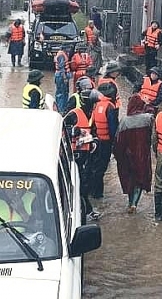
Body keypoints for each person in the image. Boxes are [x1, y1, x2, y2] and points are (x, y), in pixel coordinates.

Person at [62, 90, 101, 222]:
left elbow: (95, 132)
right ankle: (84, 211)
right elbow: (62, 130)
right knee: (78, 185)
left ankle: (85, 209)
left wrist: (94, 141)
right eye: (94, 104)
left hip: (86, 155)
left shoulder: (91, 115)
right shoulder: (74, 114)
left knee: (85, 184)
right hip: (73, 155)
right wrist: (74, 131)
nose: (95, 106)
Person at [113, 94, 154, 214]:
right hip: (142, 156)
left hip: (127, 157)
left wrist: (118, 157)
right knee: (140, 180)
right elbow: (153, 114)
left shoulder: (124, 121)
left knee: (130, 180)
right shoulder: (147, 119)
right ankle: (134, 204)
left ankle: (130, 202)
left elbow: (118, 142)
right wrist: (147, 104)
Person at [90, 86, 119, 199]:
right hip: (106, 142)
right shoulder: (110, 107)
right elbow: (113, 128)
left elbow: (92, 123)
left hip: (97, 140)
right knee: (101, 168)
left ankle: (93, 191)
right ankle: (98, 194)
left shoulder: (97, 105)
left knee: (96, 166)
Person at [53, 47, 72, 113]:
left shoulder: (62, 54)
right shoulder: (61, 55)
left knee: (64, 92)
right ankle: (61, 110)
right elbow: (61, 68)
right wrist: (64, 77)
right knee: (61, 93)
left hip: (61, 75)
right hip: (61, 76)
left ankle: (63, 108)